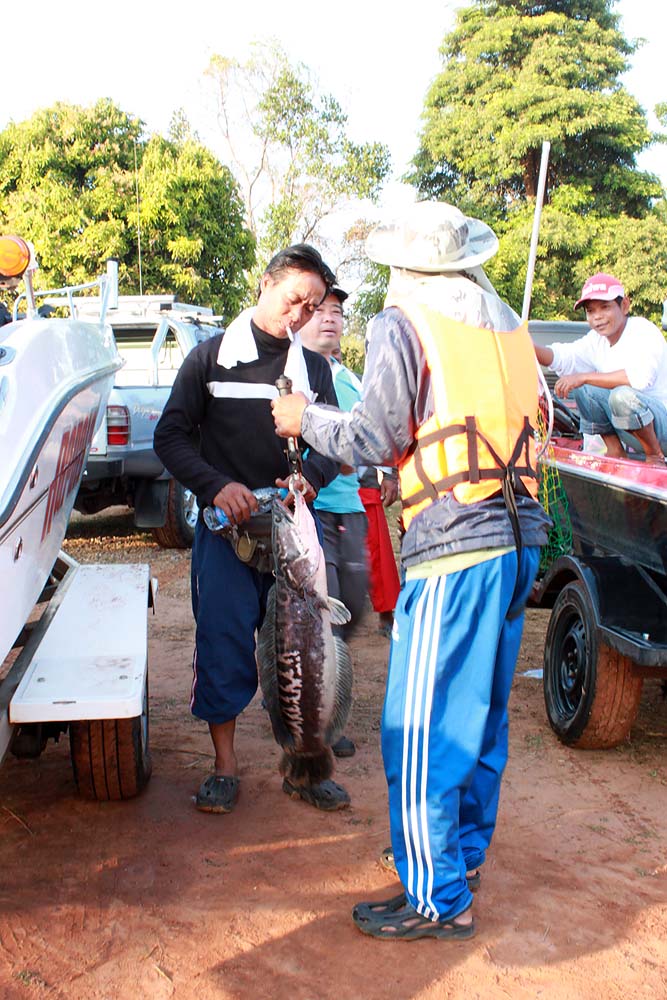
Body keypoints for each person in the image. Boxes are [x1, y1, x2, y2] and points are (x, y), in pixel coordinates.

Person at [272, 201, 550, 940]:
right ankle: (458, 864)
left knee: (421, 727)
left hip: (455, 544)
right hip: (519, 537)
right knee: (480, 719)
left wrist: (305, 420)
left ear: (406, 264)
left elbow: (373, 434)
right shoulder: (505, 325)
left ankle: (435, 897)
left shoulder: (407, 321)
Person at [154, 244, 352, 815]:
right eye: (295, 299)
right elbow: (170, 438)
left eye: (312, 307)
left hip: (295, 541)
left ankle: (304, 766)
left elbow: (333, 445)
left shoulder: (314, 370)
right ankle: (226, 766)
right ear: (266, 283)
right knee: (223, 643)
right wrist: (216, 486)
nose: (302, 315)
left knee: (305, 654)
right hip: (226, 539)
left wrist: (309, 480)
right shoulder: (209, 359)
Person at [298, 285, 367, 759]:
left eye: (337, 312)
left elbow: (362, 443)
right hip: (314, 508)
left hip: (353, 508)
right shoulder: (294, 375)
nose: (329, 319)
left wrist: (379, 473)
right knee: (323, 615)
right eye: (319, 310)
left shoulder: (352, 379)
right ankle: (315, 719)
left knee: (353, 608)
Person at [533, 272, 667, 464]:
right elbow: (564, 357)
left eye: (605, 308)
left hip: (661, 426)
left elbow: (639, 378)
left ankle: (655, 456)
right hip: (630, 427)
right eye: (591, 311)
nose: (598, 317)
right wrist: (528, 346)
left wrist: (584, 377)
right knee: (584, 389)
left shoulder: (643, 331)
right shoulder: (596, 341)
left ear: (624, 306)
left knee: (621, 396)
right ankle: (615, 451)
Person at [357, 465, 400, 638]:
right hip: (326, 488)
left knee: (376, 552)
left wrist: (390, 476)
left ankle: (386, 614)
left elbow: (387, 438)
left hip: (363, 484)